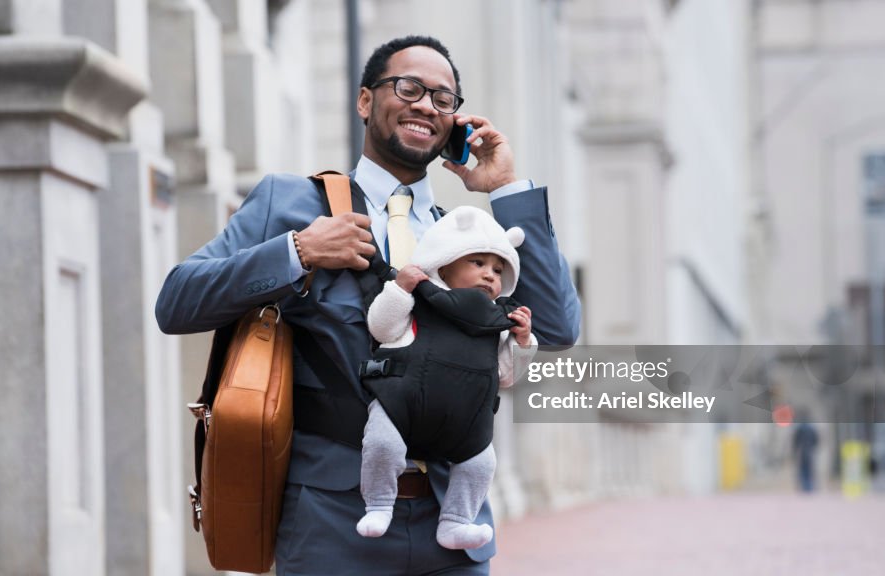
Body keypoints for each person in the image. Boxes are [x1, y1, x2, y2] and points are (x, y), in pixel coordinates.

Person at [156, 35, 580, 576]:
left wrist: (506, 189)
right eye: (408, 87)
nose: (426, 104)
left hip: (453, 525)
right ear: (364, 101)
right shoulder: (291, 204)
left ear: (454, 124)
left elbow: (558, 327)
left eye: (443, 99)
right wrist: (299, 250)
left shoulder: (468, 238)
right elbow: (176, 302)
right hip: (331, 525)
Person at [358, 206, 537, 551]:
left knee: (482, 463)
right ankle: (379, 504)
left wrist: (523, 342)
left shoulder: (500, 321)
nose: (490, 275)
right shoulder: (419, 300)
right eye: (478, 263)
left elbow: (507, 377)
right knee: (381, 443)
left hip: (465, 424)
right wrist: (398, 290)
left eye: (498, 270)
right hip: (403, 405)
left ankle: (457, 521)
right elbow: (381, 328)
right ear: (444, 262)